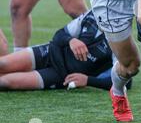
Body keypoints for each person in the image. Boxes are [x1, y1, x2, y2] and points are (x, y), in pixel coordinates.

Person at [0, 10, 132, 91]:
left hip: (61, 76)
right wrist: (71, 40)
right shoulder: (91, 15)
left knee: (6, 82)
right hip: (50, 52)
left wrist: (87, 80)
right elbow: (59, 35)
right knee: (3, 64)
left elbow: (126, 81)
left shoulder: (120, 39)